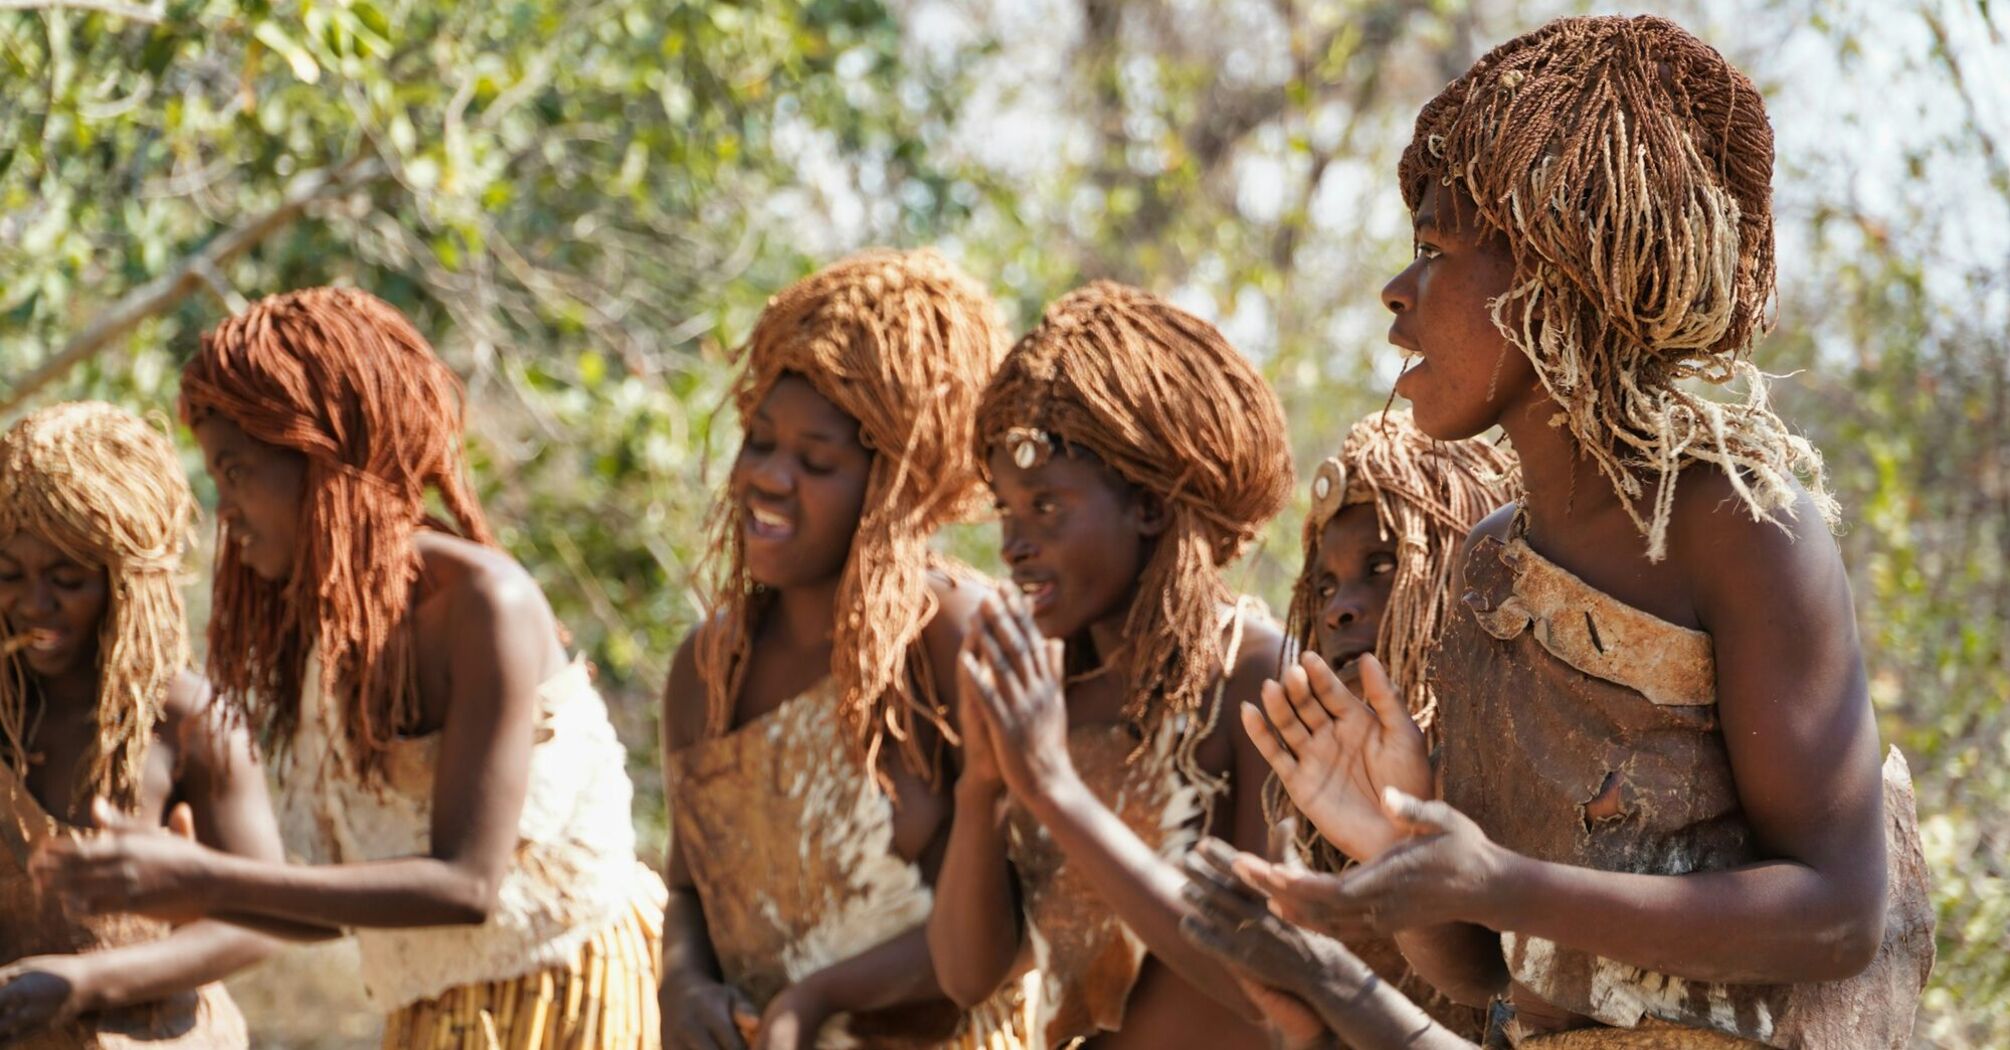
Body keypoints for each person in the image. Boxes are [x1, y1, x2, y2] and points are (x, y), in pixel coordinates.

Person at [1182, 15, 1934, 1050]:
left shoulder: (1741, 531)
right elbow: (1493, 972)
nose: (1397, 294)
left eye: (1436, 250)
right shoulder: (1492, 563)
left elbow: (1842, 913)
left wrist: (1506, 881)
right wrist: (1404, 839)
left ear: (1555, 278)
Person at [36, 289, 667, 1049]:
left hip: (569, 997)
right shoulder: (328, 637)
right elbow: (337, 903)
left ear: (320, 456)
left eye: (236, 472)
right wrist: (165, 886)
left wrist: (204, 881)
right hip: (438, 1009)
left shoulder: (483, 605)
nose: (225, 512)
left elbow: (467, 886)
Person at [658, 248, 1024, 1050]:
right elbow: (687, 886)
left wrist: (818, 996)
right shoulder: (709, 669)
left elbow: (1023, 915)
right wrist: (682, 984)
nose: (769, 478)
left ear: (897, 484)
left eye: (815, 461)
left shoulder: (959, 641)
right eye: (759, 442)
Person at [932, 281, 1292, 1048]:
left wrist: (1054, 787)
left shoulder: (1255, 679)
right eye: (1006, 510)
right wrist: (985, 783)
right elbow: (968, 976)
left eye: (1047, 506)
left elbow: (1275, 987)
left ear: (1150, 507)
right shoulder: (1045, 697)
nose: (1013, 545)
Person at [0, 401, 276, 1049]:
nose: (34, 604)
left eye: (68, 579)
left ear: (129, 585)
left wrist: (84, 984)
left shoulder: (188, 722)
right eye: (9, 575)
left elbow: (261, 920)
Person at [1264, 407, 1518, 1041]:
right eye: (1324, 588)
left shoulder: (1511, 766)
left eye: (1381, 567)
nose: (1340, 610)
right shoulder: (1312, 811)